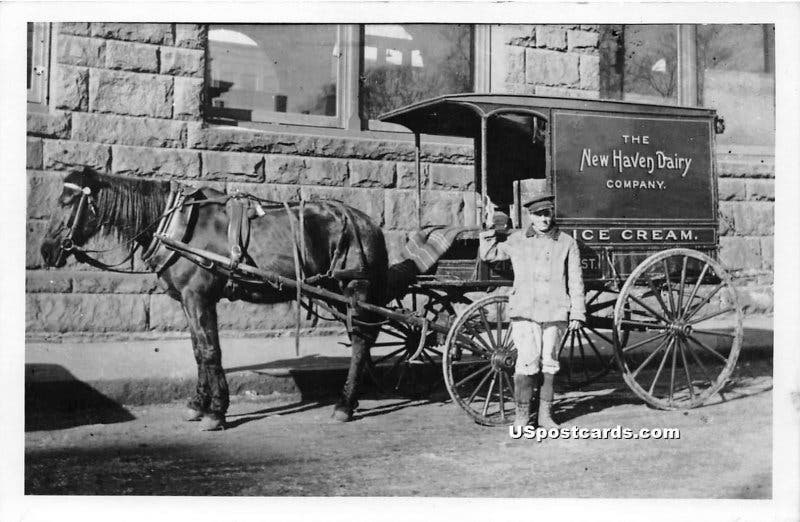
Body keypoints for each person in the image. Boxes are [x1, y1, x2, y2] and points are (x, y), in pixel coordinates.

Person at [479, 193, 585, 429]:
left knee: (550, 363)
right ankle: (522, 418)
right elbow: (489, 254)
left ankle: (546, 417)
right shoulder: (517, 240)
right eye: (539, 215)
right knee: (526, 363)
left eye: (547, 213)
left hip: (555, 312)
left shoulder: (567, 242)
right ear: (530, 216)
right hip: (525, 312)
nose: (544, 219)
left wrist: (577, 312)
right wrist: (488, 228)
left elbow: (576, 281)